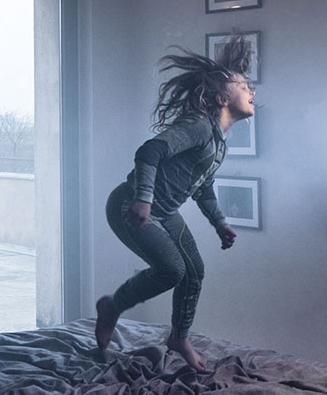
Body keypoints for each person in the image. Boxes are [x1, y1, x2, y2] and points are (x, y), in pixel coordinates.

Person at [94, 38, 255, 372]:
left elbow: (202, 186)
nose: (251, 90)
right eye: (243, 86)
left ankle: (179, 338)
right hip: (129, 203)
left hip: (164, 212)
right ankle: (112, 306)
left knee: (194, 272)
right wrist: (143, 198)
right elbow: (149, 151)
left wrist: (220, 223)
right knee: (173, 270)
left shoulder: (218, 142)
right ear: (222, 98)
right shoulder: (198, 126)